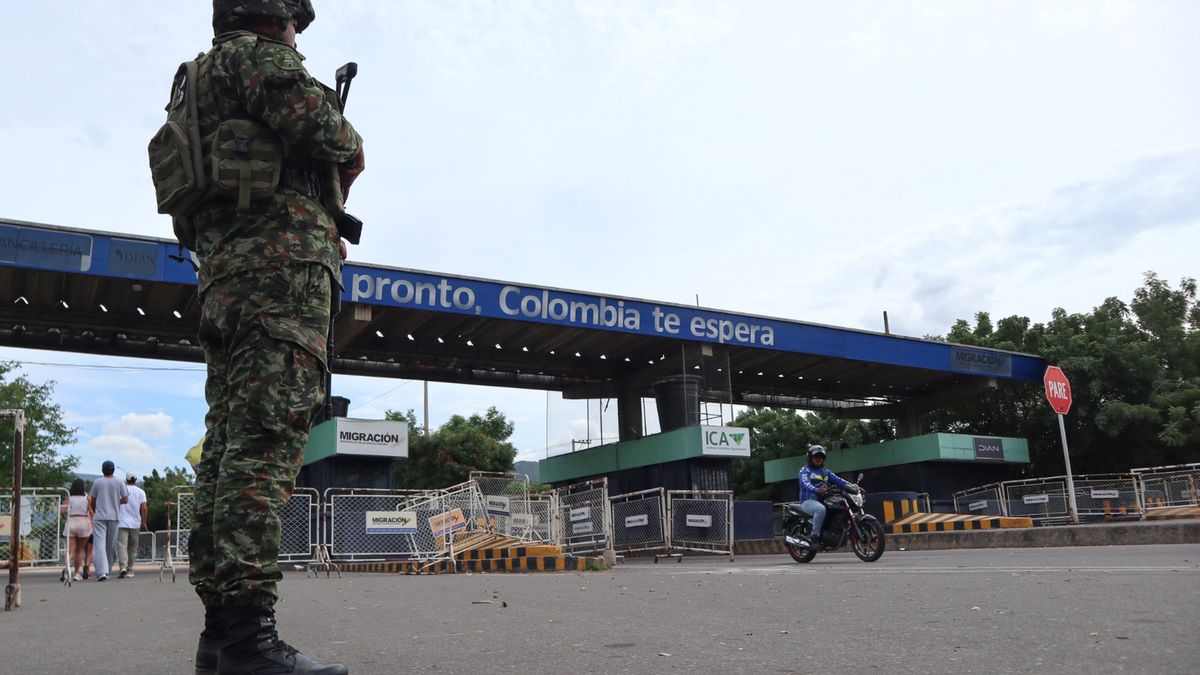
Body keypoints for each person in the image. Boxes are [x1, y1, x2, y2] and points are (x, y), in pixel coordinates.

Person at [183, 2, 363, 673]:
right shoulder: (259, 60)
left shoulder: (203, 76)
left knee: (230, 446)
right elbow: (339, 140)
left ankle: (224, 634)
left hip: (231, 280)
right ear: (274, 15)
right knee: (263, 447)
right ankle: (248, 641)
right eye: (293, 20)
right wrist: (346, 146)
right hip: (278, 280)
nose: (297, 33)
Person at [796, 445, 851, 549]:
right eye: (816, 456)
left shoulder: (825, 471)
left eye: (821, 457)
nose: (818, 459)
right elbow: (804, 483)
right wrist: (817, 490)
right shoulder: (805, 470)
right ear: (810, 458)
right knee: (820, 509)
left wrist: (853, 487)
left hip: (823, 500)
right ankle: (815, 537)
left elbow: (838, 480)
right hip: (808, 501)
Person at [88, 460, 128, 581]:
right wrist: (116, 502)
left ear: (102, 470)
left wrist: (95, 510)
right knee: (110, 546)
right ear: (113, 470)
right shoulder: (119, 482)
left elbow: (92, 500)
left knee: (99, 544)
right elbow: (125, 499)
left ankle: (102, 572)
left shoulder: (97, 482)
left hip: (100, 516)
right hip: (114, 517)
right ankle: (108, 569)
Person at [117, 473, 148, 578]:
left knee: (122, 546)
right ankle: (130, 569)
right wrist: (143, 522)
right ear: (136, 480)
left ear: (126, 479)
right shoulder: (141, 492)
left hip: (121, 522)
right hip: (135, 523)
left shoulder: (121, 490)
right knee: (133, 548)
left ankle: (123, 567)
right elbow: (144, 508)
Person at [61, 478, 92, 582]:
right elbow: (91, 511)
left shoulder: (69, 498)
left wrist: (66, 518)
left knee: (69, 550)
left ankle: (66, 571)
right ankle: (76, 573)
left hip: (71, 521)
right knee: (79, 551)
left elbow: (62, 511)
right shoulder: (87, 497)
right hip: (83, 521)